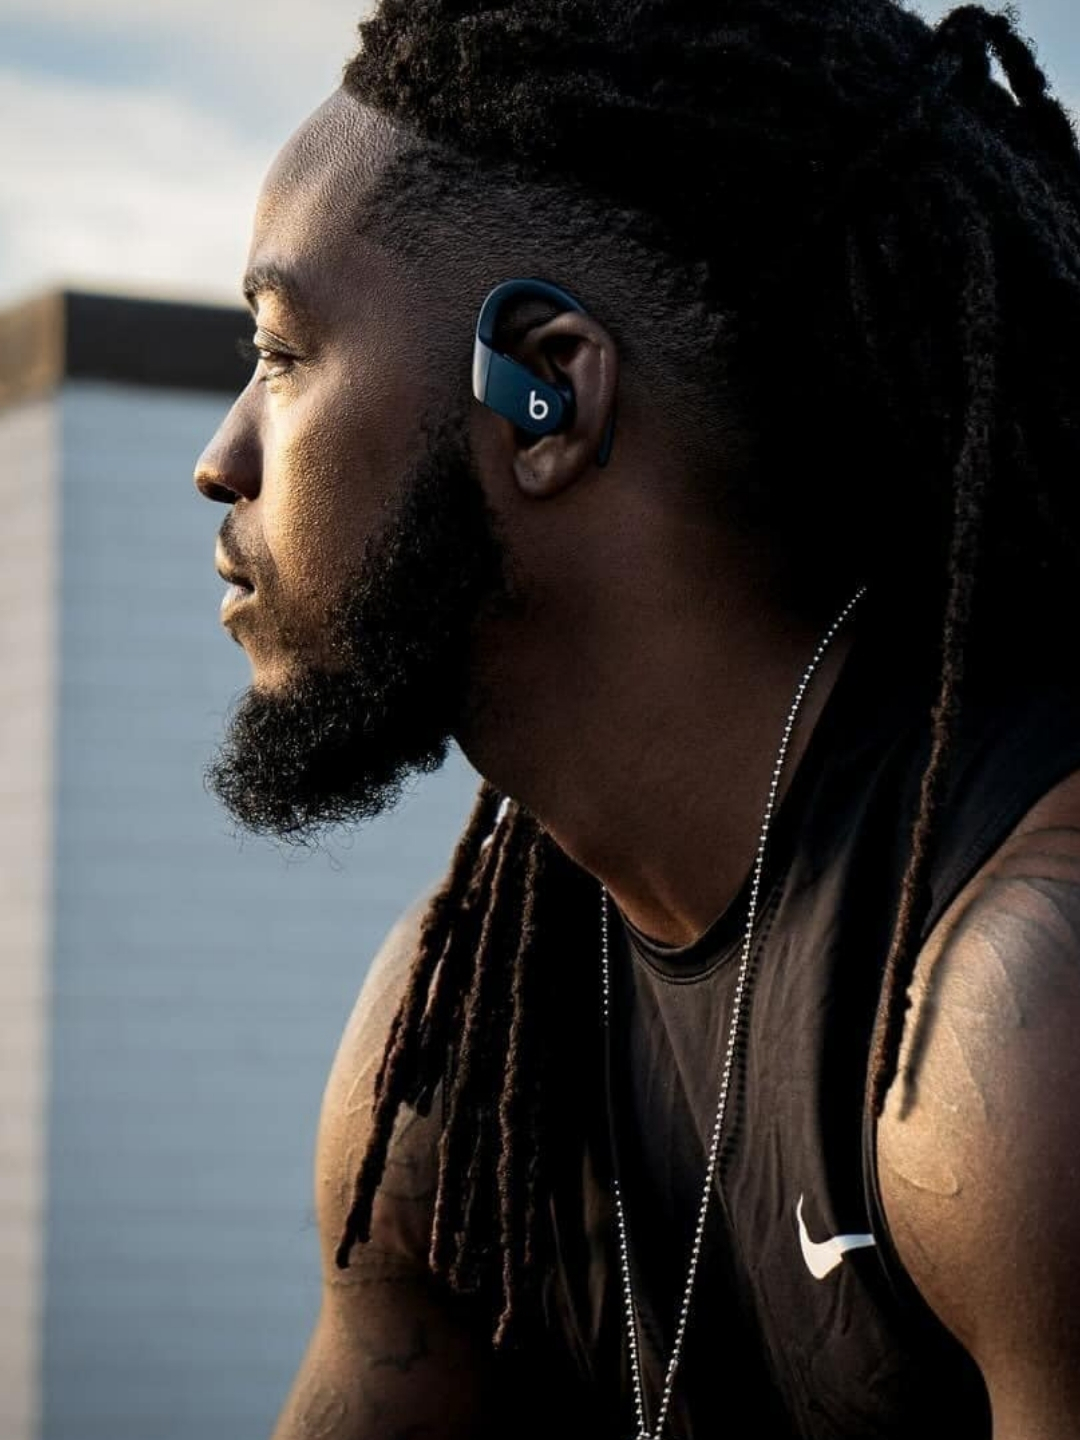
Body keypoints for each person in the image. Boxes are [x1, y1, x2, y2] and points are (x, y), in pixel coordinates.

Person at [193, 1, 1080, 1435]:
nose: (221, 457)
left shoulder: (1017, 1020)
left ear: (544, 391)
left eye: (282, 351)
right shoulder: (463, 1028)